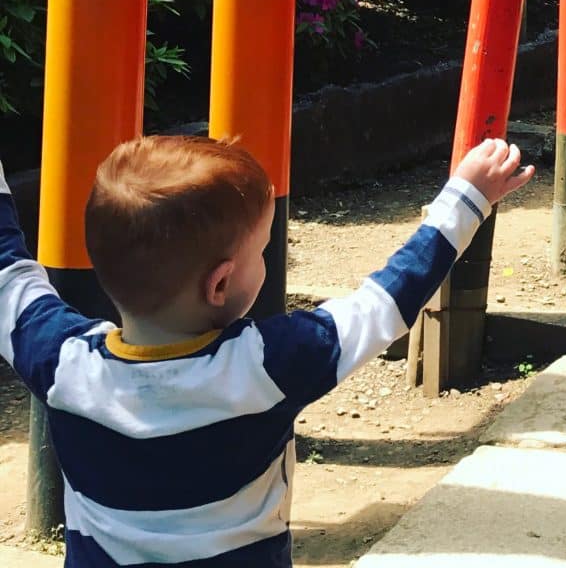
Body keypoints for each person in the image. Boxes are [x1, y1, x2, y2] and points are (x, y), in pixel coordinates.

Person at [0, 133, 533, 567]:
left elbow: (7, 271)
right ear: (220, 284)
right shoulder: (264, 365)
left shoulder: (63, 365)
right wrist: (467, 198)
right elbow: (385, 304)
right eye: (262, 251)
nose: (268, 261)